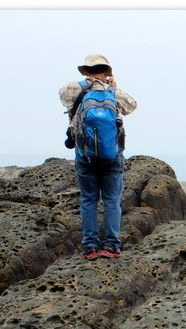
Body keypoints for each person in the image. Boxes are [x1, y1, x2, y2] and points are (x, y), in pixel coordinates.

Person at [59, 54, 137, 260]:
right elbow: (132, 106)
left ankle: (90, 246)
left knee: (88, 200)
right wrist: (113, 87)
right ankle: (111, 245)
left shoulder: (75, 89)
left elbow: (61, 95)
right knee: (112, 200)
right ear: (106, 71)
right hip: (113, 155)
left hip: (85, 156)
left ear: (85, 70)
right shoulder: (113, 93)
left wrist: (85, 83)